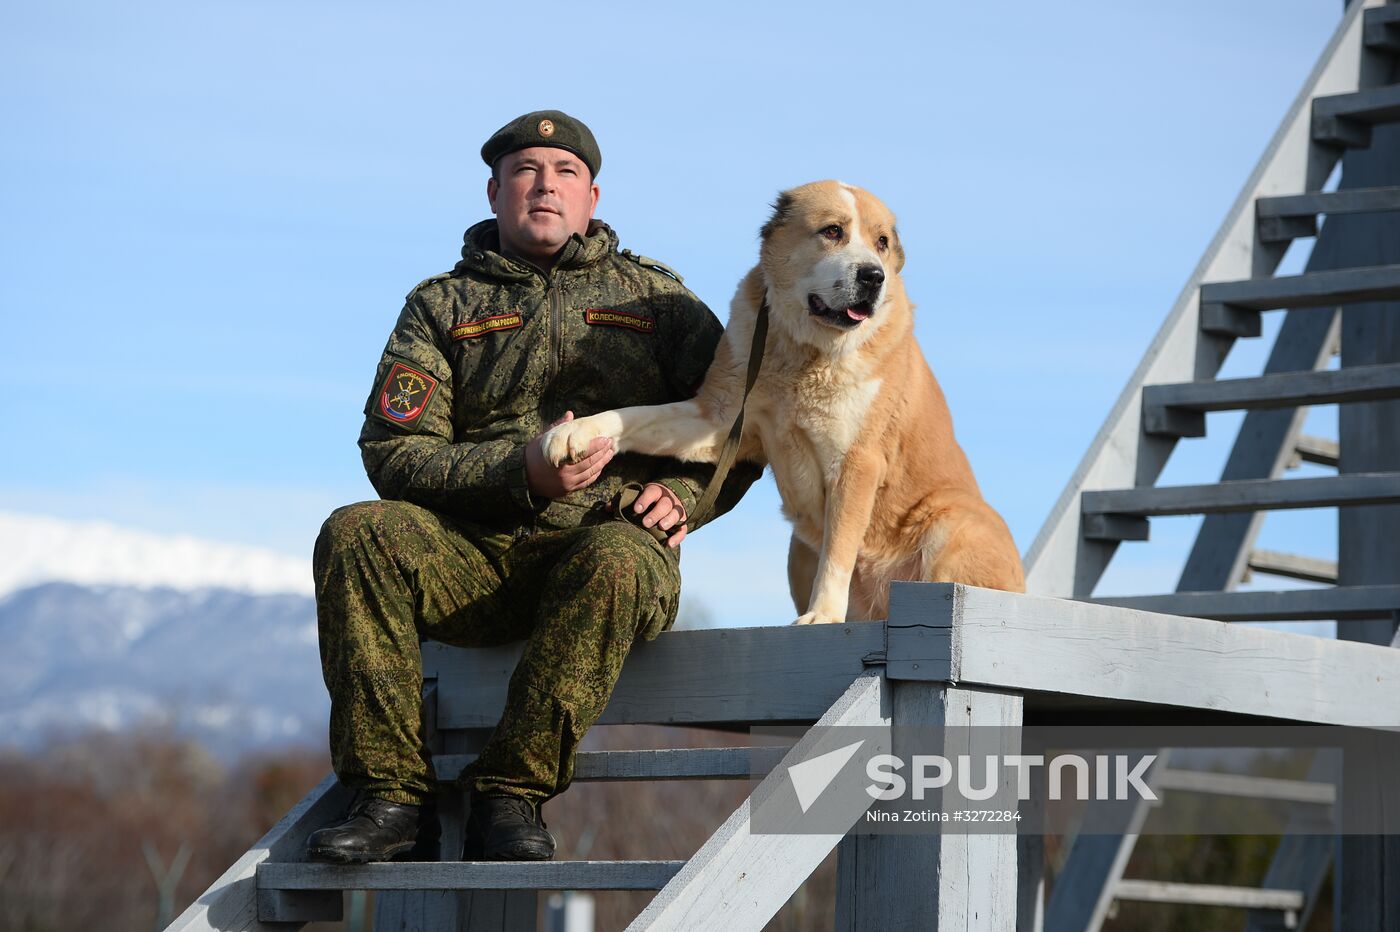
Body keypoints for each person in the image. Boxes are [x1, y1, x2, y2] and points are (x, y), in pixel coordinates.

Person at [304, 110, 760, 864]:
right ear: (494, 192)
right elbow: (393, 451)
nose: (544, 186)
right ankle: (389, 798)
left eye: (564, 173)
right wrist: (523, 472)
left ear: (593, 197)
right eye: (525, 171)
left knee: (617, 556)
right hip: (471, 557)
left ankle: (510, 796)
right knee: (357, 532)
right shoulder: (441, 306)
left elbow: (742, 426)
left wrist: (685, 496)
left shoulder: (660, 303)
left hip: (604, 552)